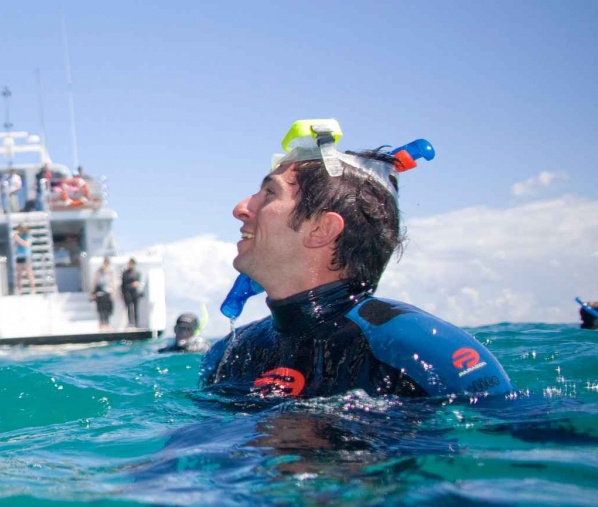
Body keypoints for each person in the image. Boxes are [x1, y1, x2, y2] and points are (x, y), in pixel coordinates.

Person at [201, 121, 513, 400]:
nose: (241, 208)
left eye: (269, 193)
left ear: (322, 229)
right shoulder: (233, 353)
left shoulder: (419, 349)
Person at [91, 256, 117, 329]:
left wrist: (113, 292)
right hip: (100, 291)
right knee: (101, 309)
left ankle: (107, 323)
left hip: (108, 291)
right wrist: (93, 293)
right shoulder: (99, 271)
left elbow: (112, 282)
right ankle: (101, 323)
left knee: (108, 309)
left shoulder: (111, 271)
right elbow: (95, 282)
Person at [121, 258, 145, 328]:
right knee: (129, 308)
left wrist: (136, 285)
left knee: (136, 309)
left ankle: (136, 323)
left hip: (135, 293)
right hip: (128, 293)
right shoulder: (125, 273)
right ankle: (130, 323)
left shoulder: (137, 273)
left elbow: (139, 283)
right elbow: (123, 285)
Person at [12, 226, 34, 293]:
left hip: (26, 256)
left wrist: (18, 239)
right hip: (19, 256)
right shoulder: (18, 237)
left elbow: (26, 244)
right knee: (19, 274)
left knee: (29, 273)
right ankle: (19, 290)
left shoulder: (27, 236)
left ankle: (33, 289)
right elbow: (15, 245)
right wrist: (15, 239)